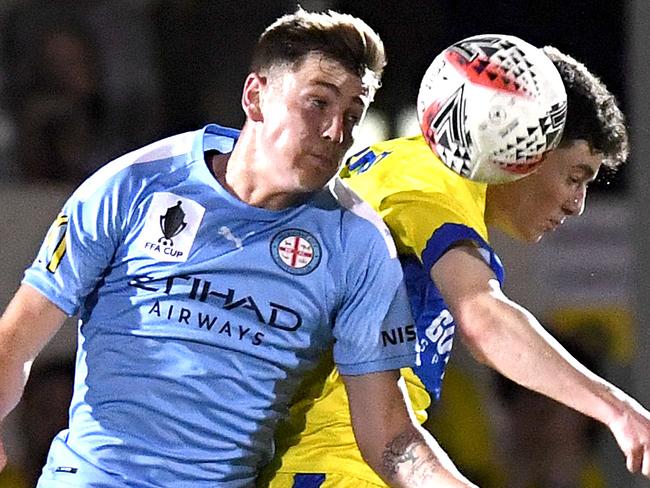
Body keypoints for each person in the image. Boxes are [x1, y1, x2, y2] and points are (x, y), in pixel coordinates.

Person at [0, 8, 475, 488]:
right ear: (255, 96)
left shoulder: (358, 244)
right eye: (318, 103)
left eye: (353, 114)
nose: (337, 132)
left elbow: (389, 436)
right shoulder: (134, 184)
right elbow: (17, 339)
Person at [260, 42, 650, 487]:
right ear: (529, 141)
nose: (577, 204)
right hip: (332, 467)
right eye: (575, 176)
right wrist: (619, 411)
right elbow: (482, 320)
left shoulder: (410, 168)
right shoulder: (429, 185)